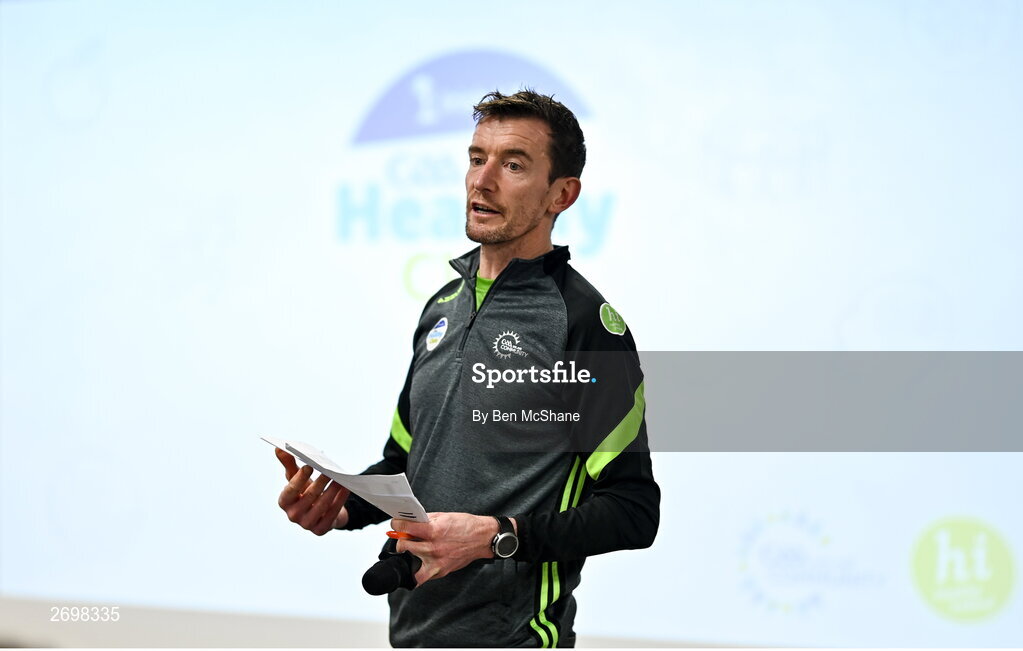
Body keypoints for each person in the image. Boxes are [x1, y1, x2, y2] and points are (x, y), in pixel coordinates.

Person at [275, 89, 659, 648]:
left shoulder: (586, 327)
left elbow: (633, 511)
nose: (483, 180)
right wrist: (339, 506)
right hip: (412, 634)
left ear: (563, 194)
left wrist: (495, 538)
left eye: (513, 164)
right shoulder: (441, 307)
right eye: (477, 157)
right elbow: (406, 462)